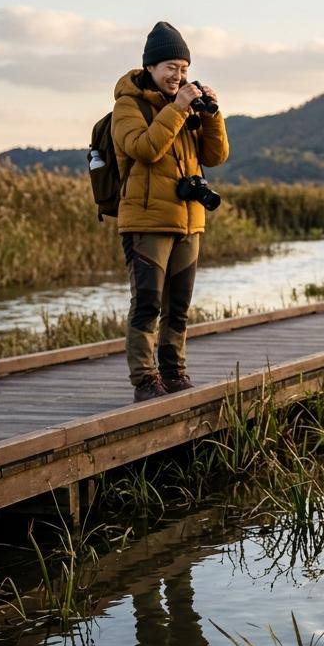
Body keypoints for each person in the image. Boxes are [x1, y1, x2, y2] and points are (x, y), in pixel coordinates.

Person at [113, 22, 229, 401]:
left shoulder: (185, 106)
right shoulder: (128, 106)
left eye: (183, 68)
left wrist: (211, 115)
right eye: (170, 67)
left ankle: (173, 372)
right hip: (146, 221)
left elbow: (216, 156)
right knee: (147, 304)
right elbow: (144, 149)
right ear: (150, 67)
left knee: (178, 307)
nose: (178, 75)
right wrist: (177, 109)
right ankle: (145, 380)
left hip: (188, 220)